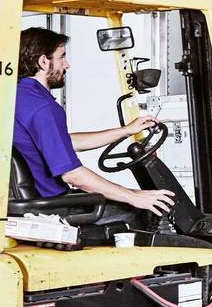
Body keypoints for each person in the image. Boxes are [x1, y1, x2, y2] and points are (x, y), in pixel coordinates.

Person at [13, 27, 175, 219]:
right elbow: (72, 175)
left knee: (133, 198)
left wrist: (126, 131)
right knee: (146, 211)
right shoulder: (43, 108)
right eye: (62, 57)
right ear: (43, 61)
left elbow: (63, 143)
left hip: (34, 201)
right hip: (52, 207)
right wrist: (133, 197)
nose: (67, 64)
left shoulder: (18, 97)